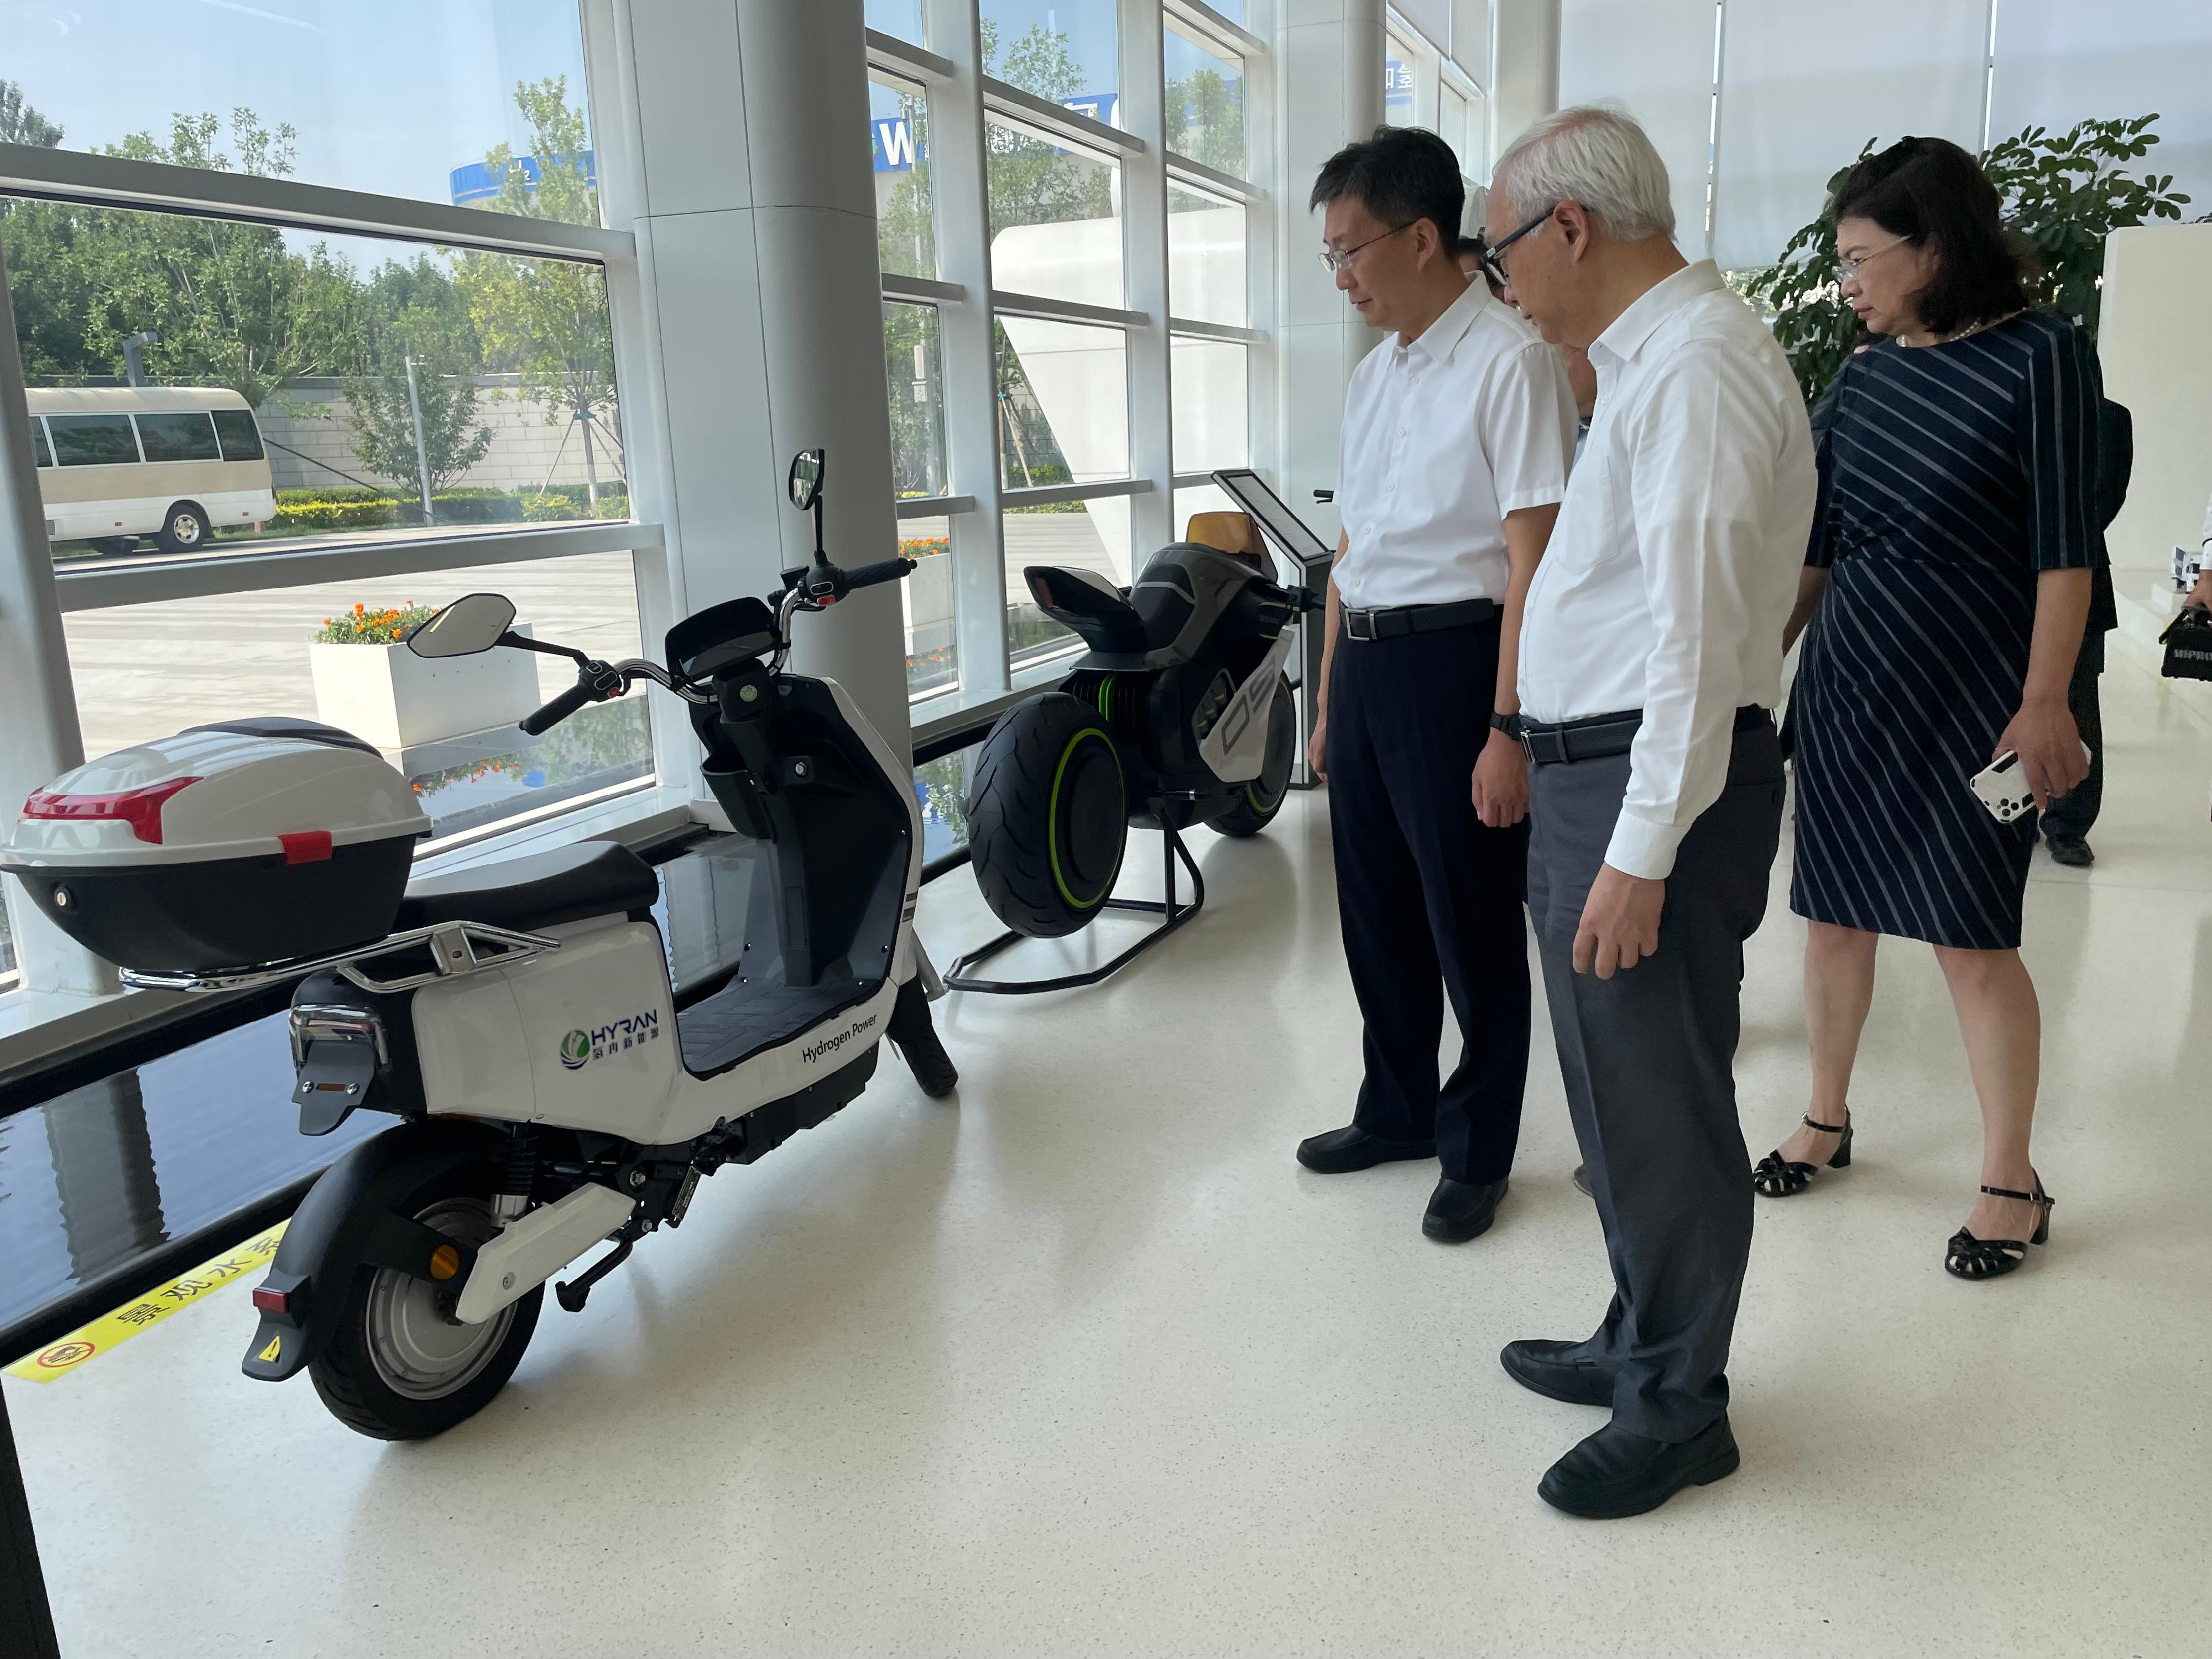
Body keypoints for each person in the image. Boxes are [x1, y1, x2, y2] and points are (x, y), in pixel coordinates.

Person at [1479, 105, 1815, 1518]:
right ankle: (1639, 1332)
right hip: (1603, 773)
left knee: (1661, 1098)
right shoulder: (1648, 362)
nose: (1502, 283)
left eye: (1501, 253)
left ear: (1568, 228)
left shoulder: (1693, 368)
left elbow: (1691, 638)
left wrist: (1637, 848)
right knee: (1620, 1090)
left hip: (1642, 782)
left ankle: (1681, 1404)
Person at [1755, 137, 2098, 1285]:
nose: (1845, 279)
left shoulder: (2041, 355)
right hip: (1852, 683)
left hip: (1981, 698)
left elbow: (2062, 553)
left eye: (1859, 257)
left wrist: (2045, 699)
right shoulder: (1859, 379)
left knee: (1970, 936)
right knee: (1833, 914)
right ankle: (1825, 1115)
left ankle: (2011, 1177)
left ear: (1932, 248)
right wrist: (1756, 677)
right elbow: (1815, 549)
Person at [1295, 126, 1577, 1244]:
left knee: (1468, 922)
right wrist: (1325, 702)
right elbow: (1348, 550)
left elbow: (1531, 563)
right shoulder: (1376, 376)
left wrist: (1507, 724)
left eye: (1349, 251)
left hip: (1459, 664)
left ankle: (1476, 1149)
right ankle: (1397, 1107)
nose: (1342, 278)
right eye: (1328, 258)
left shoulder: (1508, 363)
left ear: (1422, 236)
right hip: (1366, 664)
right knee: (1374, 911)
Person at [2037, 399, 2131, 865]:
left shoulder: (2110, 418)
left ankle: (2069, 824)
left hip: (2083, 573)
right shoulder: (2016, 404)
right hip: (2003, 573)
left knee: (2078, 703)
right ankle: (2005, 809)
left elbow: (2108, 495)